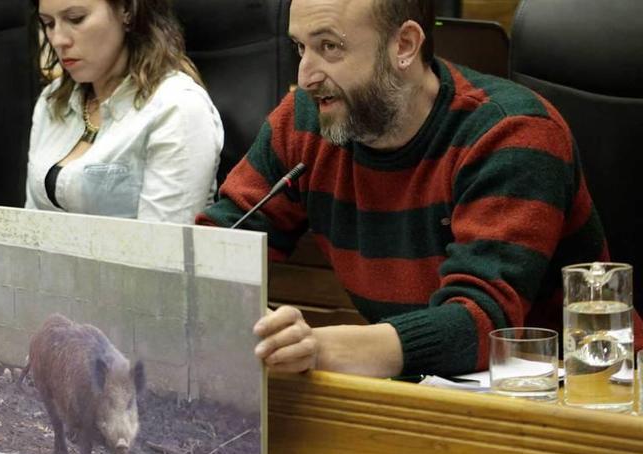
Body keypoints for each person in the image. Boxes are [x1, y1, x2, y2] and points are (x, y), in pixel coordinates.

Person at [196, 0, 643, 377]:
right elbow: (217, 242)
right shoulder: (304, 121)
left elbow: (480, 323)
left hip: (574, 392)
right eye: (300, 47)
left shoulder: (512, 132)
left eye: (329, 47)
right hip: (424, 389)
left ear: (404, 45)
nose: (306, 75)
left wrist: (316, 347)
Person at [24, 0, 223, 224]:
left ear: (127, 11)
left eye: (76, 19)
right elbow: (31, 225)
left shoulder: (177, 106)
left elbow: (164, 249)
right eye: (48, 24)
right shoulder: (53, 100)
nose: (58, 39)